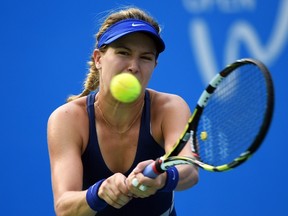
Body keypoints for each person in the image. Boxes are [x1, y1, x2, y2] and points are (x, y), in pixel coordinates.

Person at [47, 6, 198, 216]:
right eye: (123, 53)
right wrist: (98, 193)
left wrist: (162, 177)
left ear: (154, 64)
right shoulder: (67, 119)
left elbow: (189, 170)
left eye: (145, 57)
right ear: (98, 58)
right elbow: (64, 207)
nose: (134, 66)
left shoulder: (170, 108)